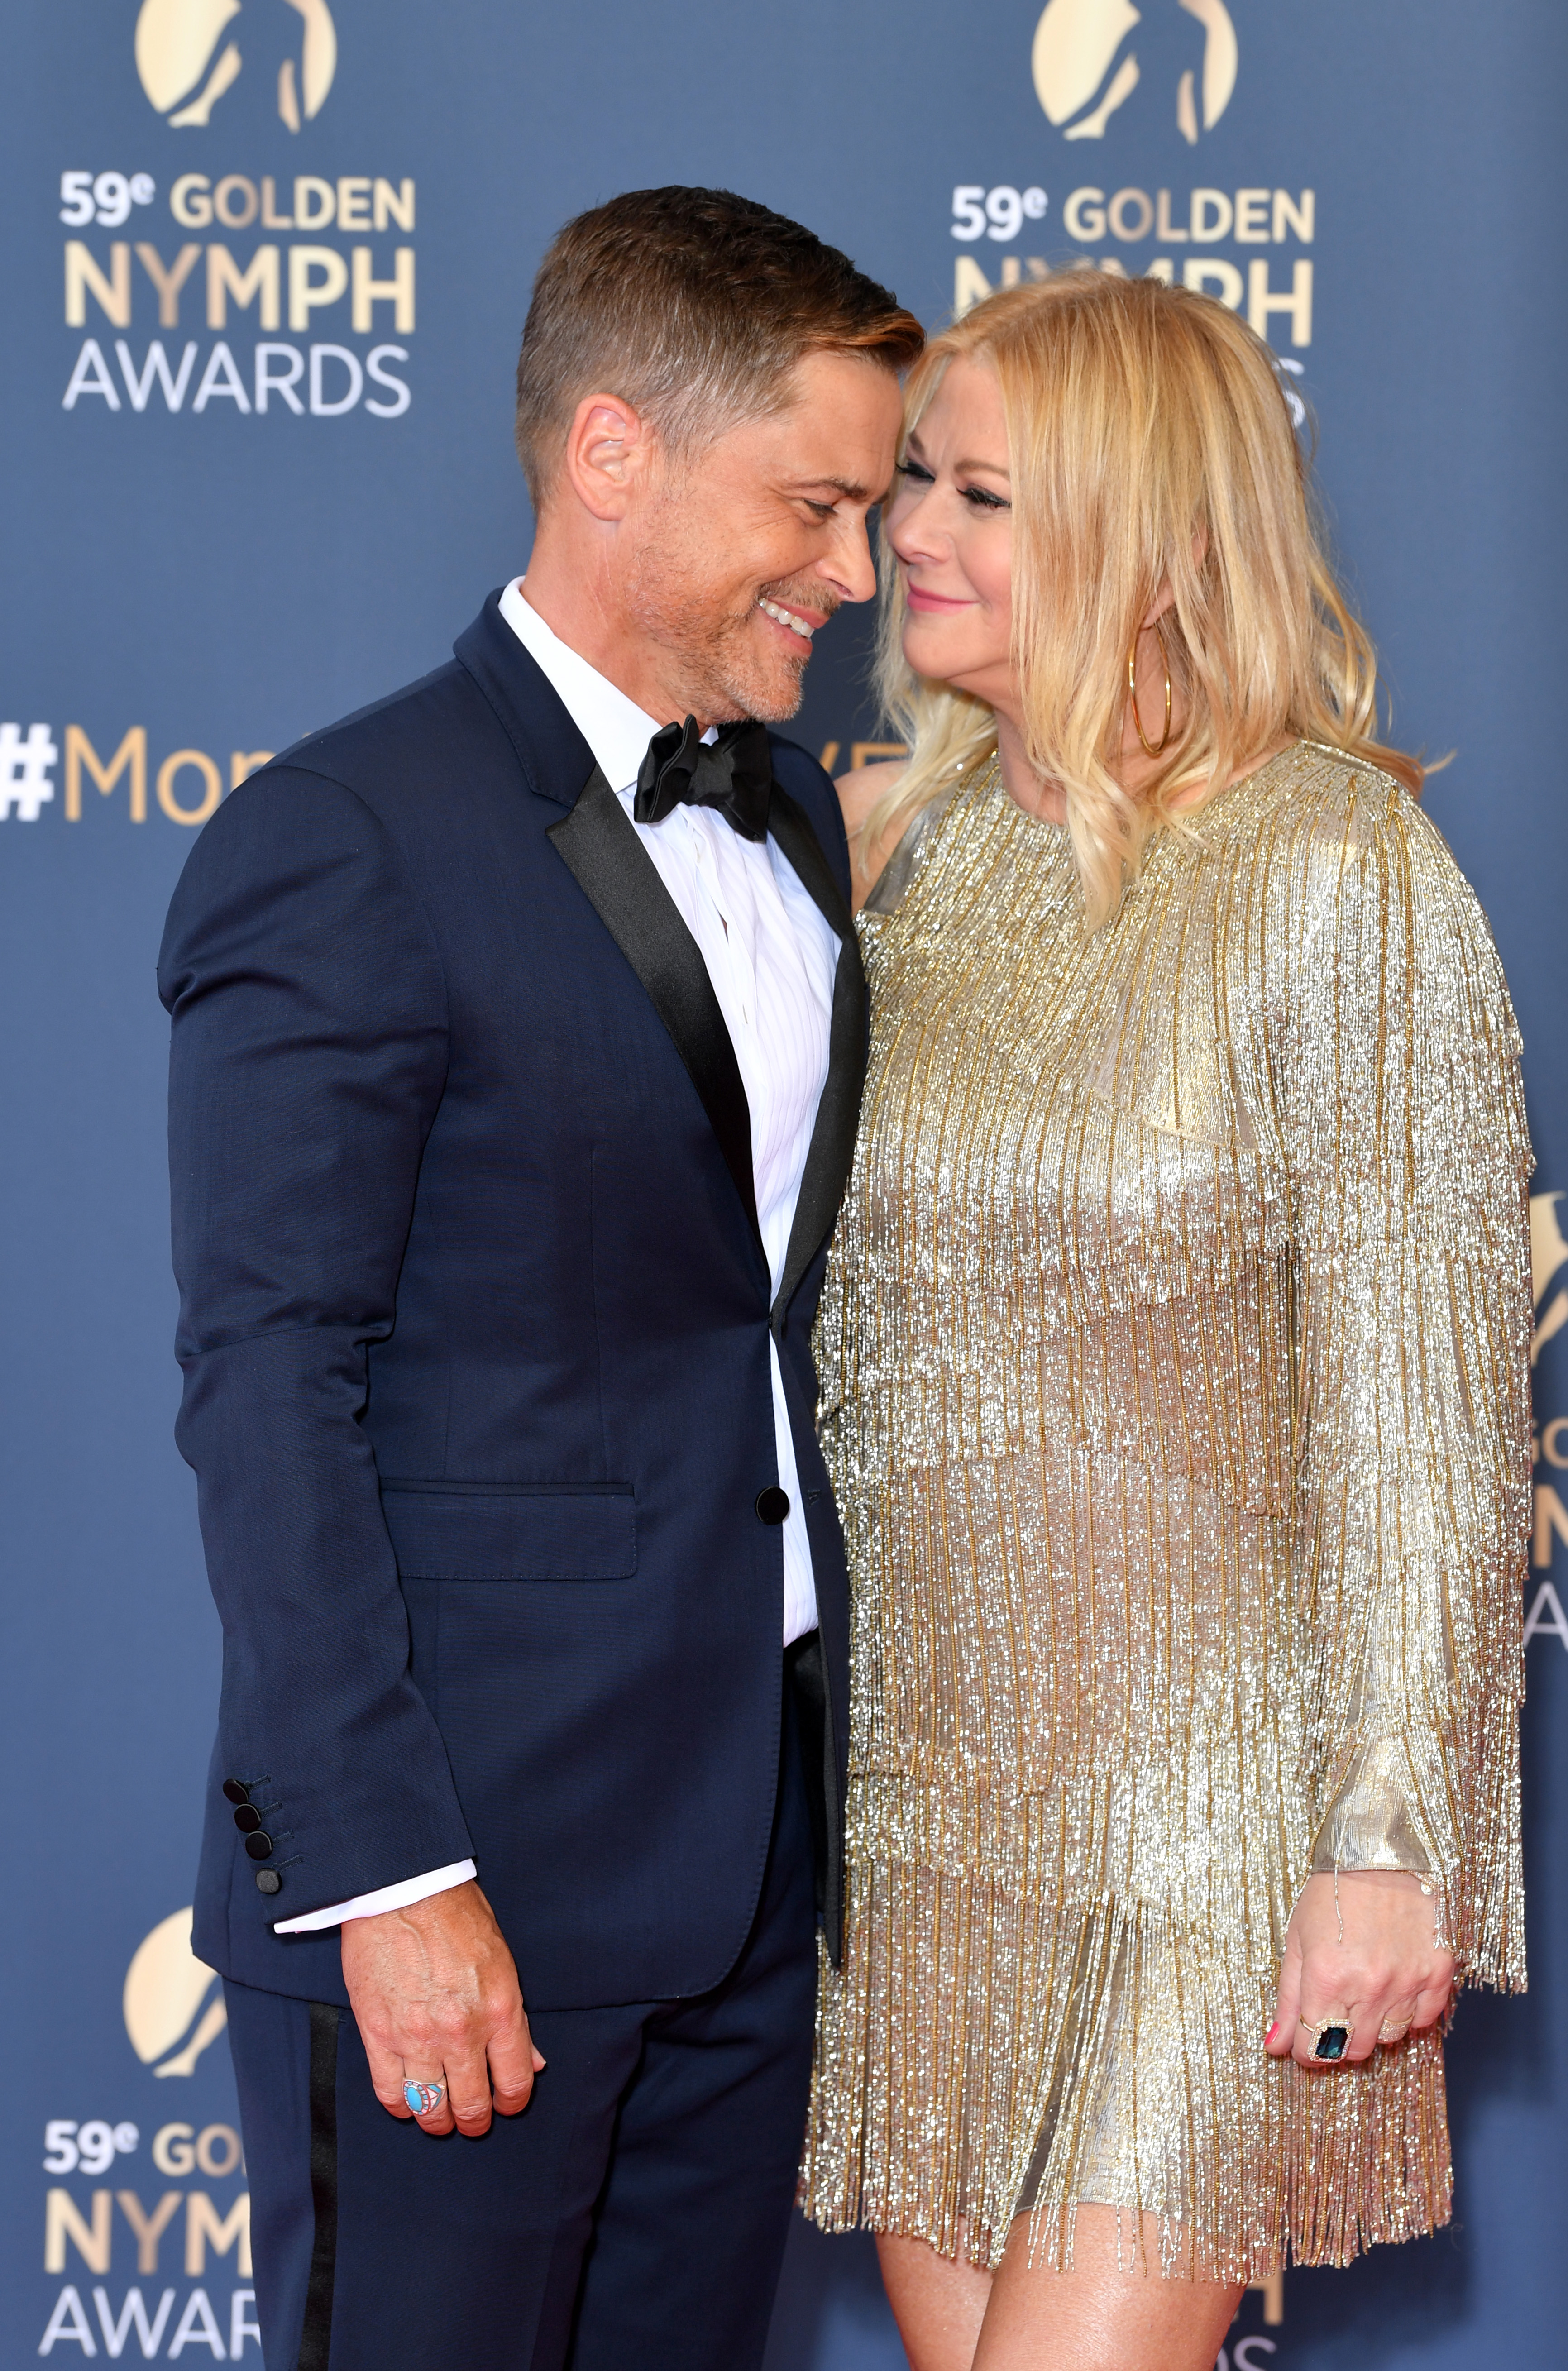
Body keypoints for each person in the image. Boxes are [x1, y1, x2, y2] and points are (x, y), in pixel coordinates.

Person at [158, 185, 921, 2371]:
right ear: (615, 454)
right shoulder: (348, 837)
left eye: (871, 511)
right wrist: (389, 1876)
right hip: (465, 1880)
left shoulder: (784, 815)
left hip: (747, 1876)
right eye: (815, 501)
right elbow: (267, 1377)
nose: (855, 573)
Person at [801, 273, 1531, 2371]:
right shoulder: (891, 864)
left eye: (986, 495)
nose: (910, 530)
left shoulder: (1338, 872)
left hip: (1206, 1825)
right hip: (919, 1821)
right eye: (920, 478)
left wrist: (1389, 1837)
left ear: (1157, 542)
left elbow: (1424, 1409)